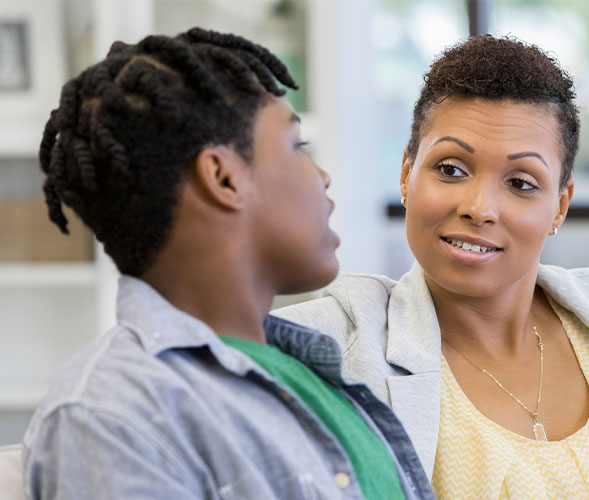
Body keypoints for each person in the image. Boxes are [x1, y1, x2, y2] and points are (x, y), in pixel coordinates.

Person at [275, 35, 589, 499]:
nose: (480, 207)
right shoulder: (341, 342)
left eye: (521, 183)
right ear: (408, 172)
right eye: (450, 169)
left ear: (560, 205)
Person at [23, 28, 432, 500]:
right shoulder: (110, 415)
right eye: (297, 147)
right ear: (223, 177)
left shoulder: (313, 370)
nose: (323, 177)